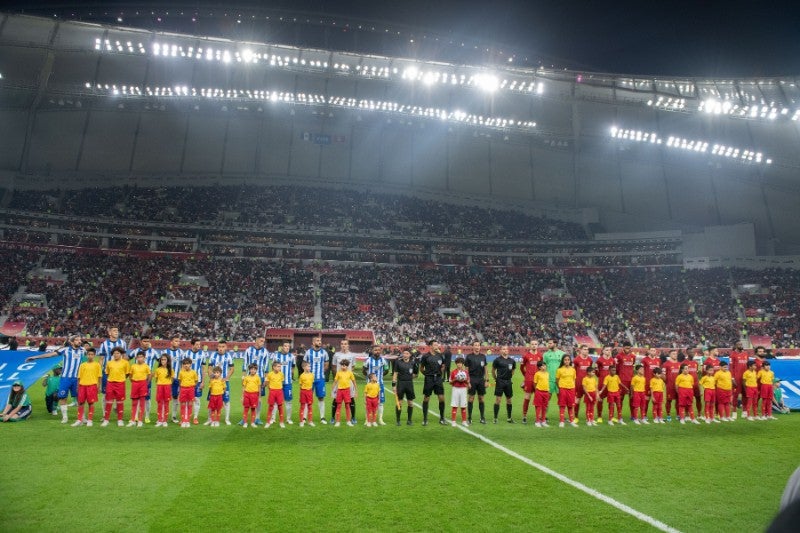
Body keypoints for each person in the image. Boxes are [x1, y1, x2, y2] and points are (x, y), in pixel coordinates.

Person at [25, 335, 85, 424]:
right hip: (65, 378)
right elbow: (50, 354)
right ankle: (65, 417)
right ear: (72, 342)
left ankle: (82, 417)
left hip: (77, 379)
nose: (79, 341)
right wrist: (35, 357)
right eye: (77, 340)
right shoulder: (65, 350)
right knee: (62, 397)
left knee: (80, 399)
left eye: (80, 340)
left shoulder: (82, 350)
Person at [205, 340, 235, 426]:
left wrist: (226, 378)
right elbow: (209, 367)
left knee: (226, 401)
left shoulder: (228, 356)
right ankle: (210, 419)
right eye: (219, 347)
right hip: (214, 383)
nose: (221, 348)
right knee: (211, 401)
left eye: (223, 347)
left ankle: (227, 419)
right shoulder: (213, 355)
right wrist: (211, 376)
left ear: (226, 347)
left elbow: (232, 369)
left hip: (224, 383)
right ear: (217, 347)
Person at [243, 337, 270, 425]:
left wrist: (266, 379)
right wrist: (243, 376)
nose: (263, 342)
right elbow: (245, 363)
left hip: (260, 377)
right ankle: (245, 418)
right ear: (256, 341)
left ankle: (257, 418)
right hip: (249, 378)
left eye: (264, 341)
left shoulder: (265, 352)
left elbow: (266, 366)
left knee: (259, 398)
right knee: (246, 398)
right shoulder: (249, 350)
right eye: (261, 341)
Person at [304, 336, 329, 425]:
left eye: (320, 341)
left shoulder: (324, 352)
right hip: (309, 380)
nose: (319, 342)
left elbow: (326, 364)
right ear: (313, 342)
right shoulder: (308, 352)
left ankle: (322, 417)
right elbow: (304, 363)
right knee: (307, 398)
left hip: (320, 379)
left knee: (321, 397)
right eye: (317, 341)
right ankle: (304, 417)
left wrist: (322, 372)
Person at [420, 340, 447, 426]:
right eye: (435, 345)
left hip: (438, 379)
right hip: (429, 379)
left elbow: (443, 366)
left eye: (437, 344)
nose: (437, 346)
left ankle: (442, 418)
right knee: (426, 398)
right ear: (430, 346)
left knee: (441, 398)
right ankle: (425, 419)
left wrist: (440, 373)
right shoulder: (425, 356)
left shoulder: (440, 355)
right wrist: (427, 375)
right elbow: (421, 368)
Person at [330, 339, 357, 424]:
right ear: (340, 345)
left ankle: (353, 417)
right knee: (335, 399)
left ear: (348, 345)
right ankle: (333, 417)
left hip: (348, 382)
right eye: (342, 344)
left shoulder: (352, 355)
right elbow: (334, 367)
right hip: (339, 381)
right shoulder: (336, 355)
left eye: (345, 344)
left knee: (351, 399)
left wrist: (348, 375)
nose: (343, 345)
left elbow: (352, 367)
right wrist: (338, 377)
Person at [102, 347, 130, 427]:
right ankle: (106, 420)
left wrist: (122, 378)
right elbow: (107, 373)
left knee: (120, 402)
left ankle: (120, 420)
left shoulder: (125, 363)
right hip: (110, 384)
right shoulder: (109, 363)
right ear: (112, 354)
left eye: (117, 353)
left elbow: (127, 373)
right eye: (114, 353)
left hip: (120, 384)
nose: (116, 355)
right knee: (109, 402)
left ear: (121, 354)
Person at [97, 326, 127, 401]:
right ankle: (105, 412)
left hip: (119, 372)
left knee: (118, 393)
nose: (116, 332)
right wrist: (99, 371)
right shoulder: (104, 344)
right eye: (114, 330)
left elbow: (124, 357)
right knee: (105, 393)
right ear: (110, 333)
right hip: (107, 372)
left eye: (117, 330)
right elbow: (101, 359)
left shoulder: (123, 343)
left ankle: (116, 406)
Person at [73, 349, 101, 427]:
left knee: (91, 403)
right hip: (82, 386)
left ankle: (90, 420)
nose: (90, 356)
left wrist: (99, 387)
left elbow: (99, 377)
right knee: (81, 403)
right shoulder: (82, 365)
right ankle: (79, 420)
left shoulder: (97, 365)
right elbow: (79, 377)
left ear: (94, 355)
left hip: (92, 386)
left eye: (92, 354)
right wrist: (78, 387)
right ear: (86, 355)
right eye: (89, 354)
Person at [362, 345, 389, 425]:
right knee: (367, 403)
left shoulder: (383, 360)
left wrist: (380, 376)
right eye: (375, 350)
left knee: (380, 402)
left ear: (380, 351)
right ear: (372, 351)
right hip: (369, 386)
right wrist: (369, 377)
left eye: (378, 350)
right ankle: (367, 419)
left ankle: (380, 419)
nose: (377, 351)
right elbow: (364, 370)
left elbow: (386, 370)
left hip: (380, 384)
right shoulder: (368, 360)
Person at [183, 339, 208, 425]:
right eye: (197, 344)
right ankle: (185, 417)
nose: (199, 346)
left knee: (196, 399)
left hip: (198, 380)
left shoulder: (202, 354)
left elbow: (204, 369)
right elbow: (182, 368)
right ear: (192, 344)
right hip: (187, 381)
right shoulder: (186, 354)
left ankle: (195, 417)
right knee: (186, 400)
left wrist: (203, 382)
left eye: (199, 344)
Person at [392, 349, 418, 426]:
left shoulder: (413, 363)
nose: (405, 355)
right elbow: (395, 374)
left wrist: (409, 378)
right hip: (401, 384)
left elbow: (416, 374)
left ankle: (409, 420)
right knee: (399, 403)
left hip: (409, 384)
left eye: (407, 353)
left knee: (410, 403)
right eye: (404, 353)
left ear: (410, 355)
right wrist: (394, 385)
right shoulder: (398, 362)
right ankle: (398, 420)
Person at [271, 341, 294, 425]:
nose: (287, 348)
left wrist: (290, 377)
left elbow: (292, 368)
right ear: (282, 347)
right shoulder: (276, 355)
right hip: (277, 383)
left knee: (288, 401)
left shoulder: (291, 356)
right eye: (285, 346)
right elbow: (273, 368)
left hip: (288, 383)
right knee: (276, 401)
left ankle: (288, 419)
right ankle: (273, 418)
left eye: (288, 346)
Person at [465, 341, 488, 425]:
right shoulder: (469, 357)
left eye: (478, 345)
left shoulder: (483, 356)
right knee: (471, 398)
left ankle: (482, 418)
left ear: (480, 347)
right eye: (475, 345)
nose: (477, 347)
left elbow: (485, 369)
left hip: (481, 380)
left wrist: (486, 380)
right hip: (472, 379)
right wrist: (468, 381)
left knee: (481, 398)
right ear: (473, 347)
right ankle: (469, 418)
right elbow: (466, 370)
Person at [520, 340, 543, 423]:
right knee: (527, 398)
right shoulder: (526, 356)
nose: (534, 345)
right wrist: (526, 376)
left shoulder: (540, 356)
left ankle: (538, 416)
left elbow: (541, 367)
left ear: (538, 345)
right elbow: (522, 368)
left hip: (538, 381)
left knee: (538, 398)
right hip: (529, 380)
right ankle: (524, 416)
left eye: (535, 344)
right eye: (532, 344)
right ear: (530, 345)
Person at [492, 346, 516, 424]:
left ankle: (509, 418)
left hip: (508, 382)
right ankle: (495, 418)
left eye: (506, 349)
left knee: (509, 400)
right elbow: (493, 370)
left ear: (508, 351)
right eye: (503, 349)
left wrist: (509, 378)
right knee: (498, 400)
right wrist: (496, 379)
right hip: (500, 382)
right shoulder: (497, 360)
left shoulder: (512, 361)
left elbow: (513, 370)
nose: (505, 350)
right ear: (500, 351)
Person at [164, 336, 185, 423]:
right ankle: (163, 416)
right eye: (176, 341)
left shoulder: (181, 352)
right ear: (171, 342)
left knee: (175, 397)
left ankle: (174, 416)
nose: (178, 343)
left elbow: (183, 366)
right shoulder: (165, 352)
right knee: (165, 398)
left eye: (178, 341)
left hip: (176, 379)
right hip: (167, 379)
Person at [128, 351, 151, 427]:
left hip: (143, 384)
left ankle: (140, 420)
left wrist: (146, 383)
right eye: (138, 357)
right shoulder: (133, 366)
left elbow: (149, 376)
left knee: (142, 403)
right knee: (134, 403)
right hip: (135, 384)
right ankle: (133, 420)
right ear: (136, 358)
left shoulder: (146, 366)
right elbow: (130, 376)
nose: (140, 358)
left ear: (144, 358)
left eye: (141, 357)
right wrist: (134, 382)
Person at [555, 354, 577, 428]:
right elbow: (557, 380)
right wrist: (561, 388)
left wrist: (572, 388)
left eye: (568, 360)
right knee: (562, 405)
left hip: (571, 389)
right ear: (563, 361)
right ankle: (561, 421)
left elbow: (574, 380)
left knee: (571, 406)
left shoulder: (573, 370)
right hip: (563, 389)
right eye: (565, 360)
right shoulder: (559, 370)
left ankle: (572, 421)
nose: (567, 361)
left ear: (570, 361)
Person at [728, 341, 749, 419]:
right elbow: (731, 367)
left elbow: (748, 365)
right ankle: (734, 412)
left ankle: (744, 411)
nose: (740, 345)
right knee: (735, 395)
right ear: (735, 346)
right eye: (739, 344)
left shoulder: (746, 354)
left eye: (741, 344)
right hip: (737, 378)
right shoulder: (732, 354)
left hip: (745, 378)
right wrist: (732, 378)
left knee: (745, 394)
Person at [615, 342, 636, 420]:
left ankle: (633, 415)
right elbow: (616, 369)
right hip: (622, 381)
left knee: (632, 398)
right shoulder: (619, 356)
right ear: (623, 348)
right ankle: (619, 416)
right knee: (620, 398)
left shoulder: (633, 356)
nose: (628, 349)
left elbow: (632, 367)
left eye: (629, 348)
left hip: (631, 381)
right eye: (626, 348)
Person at [594, 346, 615, 423]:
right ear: (603, 351)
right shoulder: (599, 360)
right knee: (600, 400)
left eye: (609, 350)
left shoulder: (612, 360)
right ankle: (599, 417)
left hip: (611, 384)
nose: (608, 351)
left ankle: (611, 416)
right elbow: (597, 374)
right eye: (606, 350)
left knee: (612, 401)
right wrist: (596, 370)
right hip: (602, 383)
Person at [333, 360, 356, 427]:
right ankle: (337, 421)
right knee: (339, 406)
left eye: (345, 365)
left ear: (347, 366)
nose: (343, 367)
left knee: (347, 406)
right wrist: (332, 391)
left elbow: (354, 382)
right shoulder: (338, 373)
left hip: (347, 391)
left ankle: (348, 421)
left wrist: (356, 391)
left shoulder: (350, 373)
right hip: (339, 391)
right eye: (342, 365)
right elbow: (335, 382)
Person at [572, 344, 593, 420]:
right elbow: (573, 372)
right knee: (577, 400)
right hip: (579, 383)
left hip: (588, 384)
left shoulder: (590, 360)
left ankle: (589, 417)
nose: (586, 351)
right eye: (584, 349)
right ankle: (576, 417)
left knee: (589, 400)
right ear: (580, 350)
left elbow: (590, 371)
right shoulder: (576, 360)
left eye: (587, 349)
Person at [641, 348, 661, 420]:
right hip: (647, 383)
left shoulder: (658, 360)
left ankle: (657, 416)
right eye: (651, 350)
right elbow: (641, 371)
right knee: (646, 400)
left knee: (657, 401)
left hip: (656, 384)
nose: (653, 352)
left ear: (656, 352)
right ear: (648, 351)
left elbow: (659, 372)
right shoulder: (644, 360)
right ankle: (644, 415)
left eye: (654, 350)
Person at [264, 361, 286, 429]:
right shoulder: (270, 374)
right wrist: (270, 389)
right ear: (274, 367)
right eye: (278, 366)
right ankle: (268, 422)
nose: (280, 368)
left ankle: (281, 422)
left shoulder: (281, 374)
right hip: (272, 391)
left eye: (280, 366)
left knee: (280, 407)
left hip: (279, 391)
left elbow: (282, 382)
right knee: (271, 406)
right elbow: (267, 382)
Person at [178, 357, 199, 428]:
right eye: (184, 364)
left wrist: (191, 386)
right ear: (183, 365)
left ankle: (188, 421)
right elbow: (180, 381)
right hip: (183, 389)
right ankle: (183, 420)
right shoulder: (181, 372)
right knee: (183, 405)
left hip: (191, 389)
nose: (186, 365)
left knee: (190, 404)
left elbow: (196, 381)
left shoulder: (193, 372)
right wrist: (184, 386)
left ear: (190, 364)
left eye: (187, 364)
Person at [449, 357, 470, 426]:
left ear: (462, 364)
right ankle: (453, 421)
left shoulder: (465, 372)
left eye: (460, 363)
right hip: (455, 389)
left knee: (463, 405)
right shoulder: (453, 372)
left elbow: (468, 382)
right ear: (456, 364)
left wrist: (464, 380)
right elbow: (450, 382)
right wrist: (455, 379)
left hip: (463, 389)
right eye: (458, 363)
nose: (459, 364)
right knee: (454, 405)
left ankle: (464, 421)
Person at [662, 349, 682, 421]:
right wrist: (667, 382)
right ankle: (668, 415)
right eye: (673, 354)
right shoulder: (666, 364)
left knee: (678, 400)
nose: (675, 355)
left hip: (679, 386)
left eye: (676, 354)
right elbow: (663, 375)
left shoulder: (680, 364)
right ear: (670, 355)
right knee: (669, 400)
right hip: (670, 386)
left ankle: (678, 415)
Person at [153, 354, 172, 427]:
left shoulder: (170, 370)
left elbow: (172, 379)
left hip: (167, 387)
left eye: (165, 359)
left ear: (168, 361)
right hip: (160, 387)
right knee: (160, 403)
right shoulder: (158, 369)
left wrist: (167, 384)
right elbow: (156, 379)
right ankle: (160, 420)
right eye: (162, 359)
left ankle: (165, 420)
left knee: (166, 403)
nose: (163, 361)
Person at [241, 363, 261, 428]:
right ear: (249, 370)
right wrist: (242, 396)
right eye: (251, 369)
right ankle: (245, 422)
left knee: (253, 409)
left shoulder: (258, 378)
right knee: (246, 409)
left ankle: (252, 422)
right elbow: (243, 387)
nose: (252, 370)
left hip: (254, 395)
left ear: (256, 370)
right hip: (247, 394)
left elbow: (259, 387)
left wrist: (259, 397)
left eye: (254, 369)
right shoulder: (246, 378)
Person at [532, 361, 551, 427]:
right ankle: (537, 421)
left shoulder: (547, 374)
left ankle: (543, 421)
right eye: (543, 366)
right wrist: (537, 390)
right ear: (539, 367)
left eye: (545, 365)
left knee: (544, 407)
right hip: (539, 392)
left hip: (546, 392)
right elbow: (534, 383)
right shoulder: (537, 374)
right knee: (538, 407)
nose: (544, 367)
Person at [298, 361, 315, 427]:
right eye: (308, 366)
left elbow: (312, 384)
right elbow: (300, 385)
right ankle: (301, 421)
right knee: (302, 406)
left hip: (309, 392)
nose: (309, 367)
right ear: (304, 367)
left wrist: (311, 392)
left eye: (310, 366)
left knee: (310, 406)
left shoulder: (312, 375)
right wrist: (301, 393)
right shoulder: (302, 376)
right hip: (303, 391)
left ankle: (310, 421)